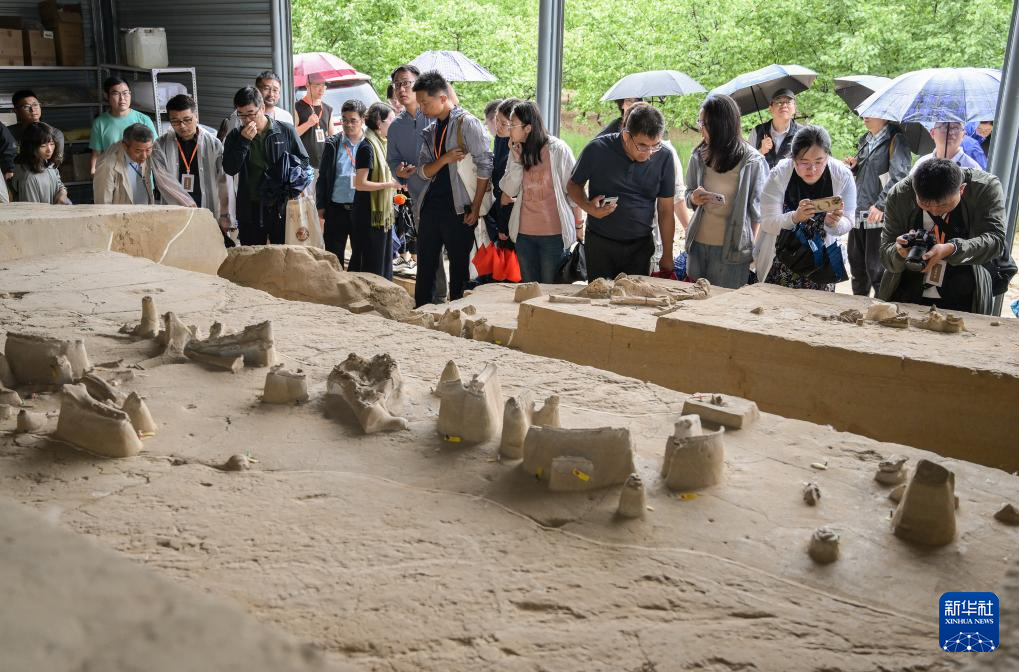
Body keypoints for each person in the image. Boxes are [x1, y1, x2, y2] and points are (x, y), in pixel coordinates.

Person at [880, 159, 1006, 315]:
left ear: (961, 189)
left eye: (943, 205)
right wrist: (899, 252)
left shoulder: (984, 188)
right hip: (907, 290)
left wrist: (953, 248)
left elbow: (996, 241)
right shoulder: (900, 194)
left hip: (964, 290)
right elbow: (885, 253)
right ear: (914, 190)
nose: (934, 211)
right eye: (925, 204)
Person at [412, 70, 494, 307]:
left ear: (442, 98)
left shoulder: (467, 123)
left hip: (460, 208)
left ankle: (456, 313)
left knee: (459, 267)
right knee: (425, 264)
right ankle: (421, 310)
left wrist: (475, 207)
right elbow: (423, 171)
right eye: (420, 104)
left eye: (425, 103)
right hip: (431, 206)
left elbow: (485, 164)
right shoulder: (431, 131)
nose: (422, 109)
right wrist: (445, 159)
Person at [568, 104, 676, 280]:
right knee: (599, 295)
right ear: (626, 136)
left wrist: (668, 254)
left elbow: (666, 210)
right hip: (600, 243)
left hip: (640, 246)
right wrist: (589, 207)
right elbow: (573, 185)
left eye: (655, 145)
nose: (649, 153)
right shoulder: (597, 149)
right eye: (642, 146)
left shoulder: (664, 156)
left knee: (635, 296)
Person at [756, 125, 856, 292]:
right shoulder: (779, 173)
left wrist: (834, 223)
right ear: (793, 158)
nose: (812, 169)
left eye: (819, 161)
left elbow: (849, 220)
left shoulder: (843, 175)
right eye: (804, 162)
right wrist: (794, 217)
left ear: (828, 157)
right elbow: (767, 222)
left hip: (821, 263)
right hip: (783, 259)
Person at [684, 94, 767, 288]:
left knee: (725, 302)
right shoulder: (698, 155)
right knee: (695, 301)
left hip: (732, 251)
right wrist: (694, 198)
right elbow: (688, 194)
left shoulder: (752, 161)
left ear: (721, 125)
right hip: (697, 245)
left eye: (704, 123)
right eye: (700, 122)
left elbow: (759, 213)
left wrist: (750, 249)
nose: (700, 128)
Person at [499, 101, 584, 283]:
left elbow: (573, 191)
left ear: (528, 128)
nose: (509, 130)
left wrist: (578, 225)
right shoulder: (516, 149)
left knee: (550, 287)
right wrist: (517, 162)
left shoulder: (558, 149)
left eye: (513, 125)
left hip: (553, 235)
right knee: (530, 288)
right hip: (523, 234)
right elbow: (509, 190)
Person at [386, 64, 447, 302]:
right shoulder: (395, 126)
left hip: (445, 192)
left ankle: (444, 297)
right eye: (397, 84)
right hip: (417, 195)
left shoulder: (435, 116)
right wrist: (399, 171)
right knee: (426, 248)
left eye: (406, 83)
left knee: (448, 248)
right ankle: (432, 298)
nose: (401, 89)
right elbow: (392, 160)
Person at [223, 86, 309, 245]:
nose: (246, 120)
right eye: (241, 115)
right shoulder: (235, 136)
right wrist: (243, 142)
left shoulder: (285, 130)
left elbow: (304, 161)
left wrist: (288, 179)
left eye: (251, 113)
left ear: (262, 108)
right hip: (250, 207)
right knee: (253, 254)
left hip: (281, 207)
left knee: (283, 252)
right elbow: (230, 168)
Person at [843, 117, 912, 296]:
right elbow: (870, 173)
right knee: (857, 268)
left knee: (877, 271)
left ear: (884, 116)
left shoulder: (896, 139)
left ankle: (882, 309)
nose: (865, 116)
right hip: (859, 211)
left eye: (871, 113)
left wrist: (881, 205)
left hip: (878, 215)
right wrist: (855, 167)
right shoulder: (866, 139)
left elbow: (900, 177)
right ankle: (858, 308)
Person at [151, 95, 230, 238]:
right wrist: (188, 204)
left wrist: (225, 214)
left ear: (196, 116)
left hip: (208, 207)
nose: (182, 126)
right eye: (175, 121)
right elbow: (163, 181)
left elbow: (224, 181)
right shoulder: (160, 145)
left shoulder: (213, 144)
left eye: (187, 120)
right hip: (175, 207)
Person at [351, 103, 400, 278]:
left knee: (383, 260)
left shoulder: (382, 143)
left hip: (380, 214)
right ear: (379, 123)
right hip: (368, 214)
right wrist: (389, 185)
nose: (395, 124)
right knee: (371, 263)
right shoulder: (367, 147)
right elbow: (360, 183)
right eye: (391, 120)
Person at [316, 100, 367, 267]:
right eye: (344, 120)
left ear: (363, 120)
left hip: (361, 208)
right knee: (333, 257)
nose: (348, 125)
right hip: (336, 209)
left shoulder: (369, 143)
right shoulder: (333, 143)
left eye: (353, 120)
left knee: (360, 257)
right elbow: (323, 177)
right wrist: (320, 205)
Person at [89, 77, 158, 175]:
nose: (122, 98)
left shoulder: (143, 119)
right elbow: (96, 153)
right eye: (116, 94)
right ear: (106, 96)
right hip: (112, 175)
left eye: (125, 93)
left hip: (141, 175)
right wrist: (94, 172)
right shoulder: (99, 123)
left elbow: (155, 148)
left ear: (130, 94)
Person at [218, 71, 295, 140]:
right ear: (257, 90)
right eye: (266, 89)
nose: (271, 94)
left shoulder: (286, 116)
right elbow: (229, 143)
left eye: (275, 90)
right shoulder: (239, 115)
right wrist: (243, 140)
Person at [93, 123, 156, 205]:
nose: (144, 156)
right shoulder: (107, 166)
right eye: (138, 151)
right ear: (125, 146)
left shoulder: (147, 156)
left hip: (145, 210)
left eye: (148, 150)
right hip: (123, 213)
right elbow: (103, 204)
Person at [10, 122, 70, 204]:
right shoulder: (28, 179)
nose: (49, 150)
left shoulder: (47, 162)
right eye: (43, 146)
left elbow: (59, 183)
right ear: (31, 148)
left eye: (52, 144)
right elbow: (32, 210)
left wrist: (62, 193)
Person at [488, 97, 521, 244]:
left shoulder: (519, 146)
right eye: (497, 120)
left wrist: (503, 226)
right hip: (500, 204)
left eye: (504, 123)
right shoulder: (501, 138)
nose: (498, 126)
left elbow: (510, 193)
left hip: (512, 213)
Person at [747, 89, 801, 169]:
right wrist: (761, 151)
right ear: (770, 108)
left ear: (794, 108)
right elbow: (747, 164)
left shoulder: (802, 133)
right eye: (779, 102)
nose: (784, 105)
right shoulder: (757, 132)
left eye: (788, 102)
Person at [10, 90, 65, 167]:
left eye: (35, 105)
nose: (33, 110)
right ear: (16, 111)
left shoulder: (55, 133)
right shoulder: (8, 133)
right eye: (26, 107)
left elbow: (56, 160)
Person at [294, 73, 334, 175]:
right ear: (307, 85)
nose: (321, 89)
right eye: (317, 85)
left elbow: (332, 137)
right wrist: (308, 124)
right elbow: (292, 134)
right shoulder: (297, 107)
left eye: (323, 85)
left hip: (324, 163)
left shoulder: (328, 109)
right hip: (304, 164)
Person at [911, 121, 982, 173]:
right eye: (945, 127)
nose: (950, 132)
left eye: (956, 128)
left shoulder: (973, 168)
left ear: (963, 135)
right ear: (932, 133)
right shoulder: (921, 164)